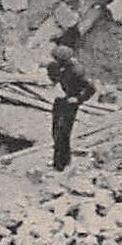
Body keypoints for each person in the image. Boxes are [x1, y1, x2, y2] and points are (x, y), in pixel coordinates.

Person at [46, 44, 97, 172]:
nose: (56, 61)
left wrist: (78, 99)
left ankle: (60, 164)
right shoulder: (54, 66)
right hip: (59, 100)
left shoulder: (77, 71)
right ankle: (64, 159)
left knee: (63, 132)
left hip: (70, 103)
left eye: (59, 59)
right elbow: (52, 76)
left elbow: (91, 88)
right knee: (55, 131)